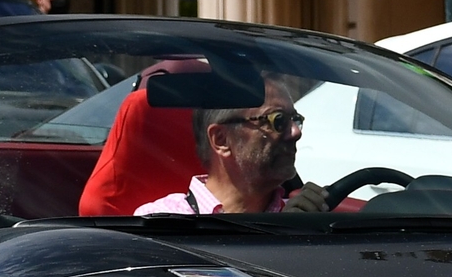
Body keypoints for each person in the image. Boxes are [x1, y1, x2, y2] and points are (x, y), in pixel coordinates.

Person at [136, 76, 328, 215]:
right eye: (277, 120)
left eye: (295, 119)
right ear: (221, 139)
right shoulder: (162, 221)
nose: (296, 132)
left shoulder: (304, 215)